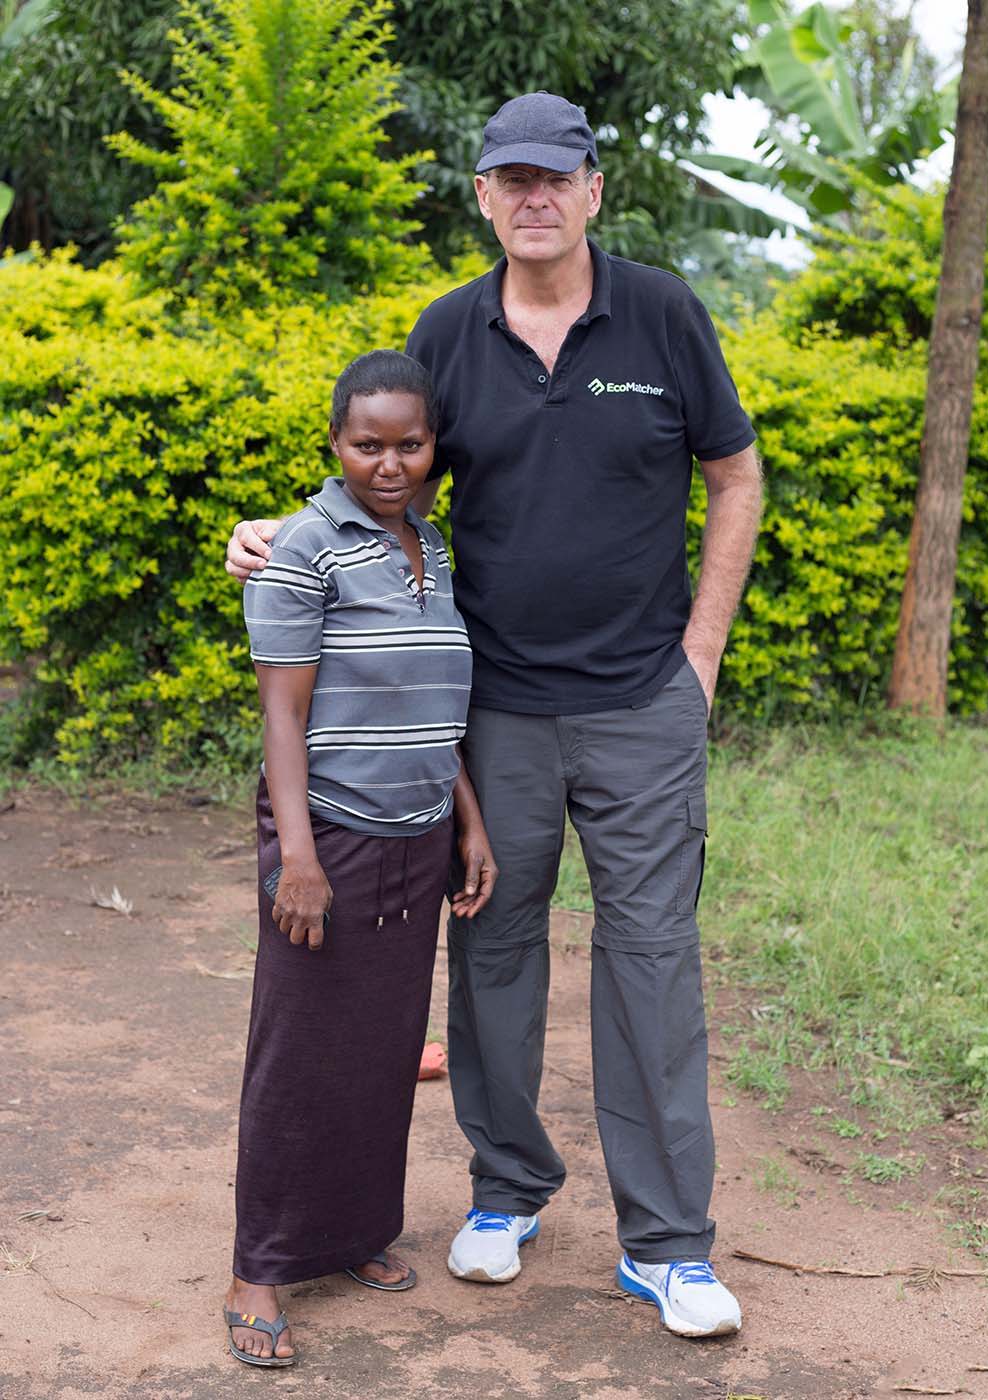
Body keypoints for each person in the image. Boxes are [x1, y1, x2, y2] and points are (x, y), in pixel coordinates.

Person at [227, 92, 762, 1340]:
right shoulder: (449, 331)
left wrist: (702, 649)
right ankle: (506, 1188)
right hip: (498, 711)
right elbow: (386, 472)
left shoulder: (664, 313)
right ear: (482, 196)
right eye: (508, 177)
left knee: (650, 961)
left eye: (554, 176)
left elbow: (733, 473)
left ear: (590, 189)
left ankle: (667, 1242)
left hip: (641, 704)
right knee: (494, 949)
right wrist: (275, 532)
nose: (533, 197)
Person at [223, 350, 497, 1367]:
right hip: (328, 831)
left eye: (409, 443)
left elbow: (436, 707)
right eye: (367, 443)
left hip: (418, 831)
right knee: (297, 1047)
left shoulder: (429, 540)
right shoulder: (303, 548)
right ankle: (260, 1264)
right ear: (335, 444)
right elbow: (283, 715)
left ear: (433, 447)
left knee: (382, 1044)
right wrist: (296, 852)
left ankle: (353, 1234)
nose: (390, 462)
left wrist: (466, 820)